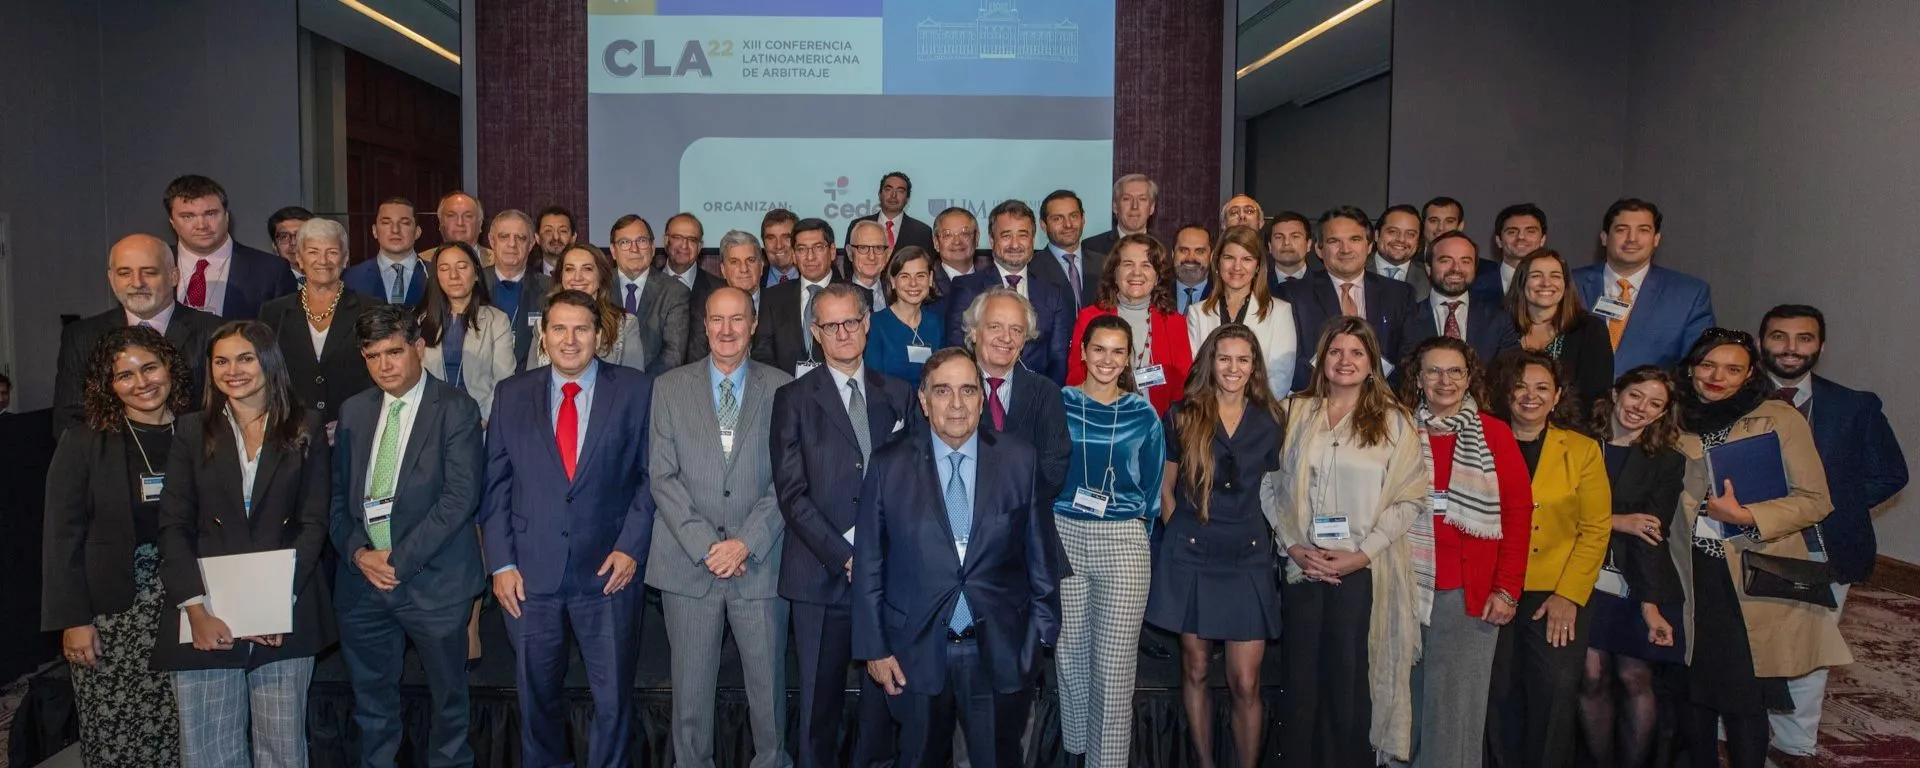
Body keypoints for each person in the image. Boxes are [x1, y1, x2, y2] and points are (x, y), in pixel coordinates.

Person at [852, 347, 1064, 768]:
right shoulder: (888, 464)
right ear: (923, 399)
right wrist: (874, 647)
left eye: (968, 390)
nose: (956, 403)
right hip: (914, 652)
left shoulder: (1019, 459)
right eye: (943, 391)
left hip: (1000, 651)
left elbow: (1040, 553)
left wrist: (1041, 635)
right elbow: (870, 563)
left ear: (982, 399)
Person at [482, 290, 656, 768]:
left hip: (609, 575)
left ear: (600, 335)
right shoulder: (511, 394)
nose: (570, 339)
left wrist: (630, 548)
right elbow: (494, 487)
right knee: (536, 702)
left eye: (582, 328)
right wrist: (500, 562)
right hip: (528, 579)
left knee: (613, 702)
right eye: (559, 328)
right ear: (543, 335)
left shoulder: (637, 390)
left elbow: (650, 477)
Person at [154, 320, 334, 767]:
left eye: (245, 358)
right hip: (207, 611)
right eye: (221, 361)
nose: (233, 370)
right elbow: (173, 525)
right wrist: (194, 607)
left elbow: (313, 523)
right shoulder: (192, 430)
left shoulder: (306, 425)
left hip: (284, 612)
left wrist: (274, 604)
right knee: (208, 750)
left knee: (282, 749)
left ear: (269, 362)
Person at [1666, 328, 1845, 768]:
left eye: (1732, 369)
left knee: (1743, 696)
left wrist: (1747, 517)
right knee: (1693, 691)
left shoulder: (1778, 418)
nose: (1717, 377)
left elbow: (1816, 500)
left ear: (1749, 376)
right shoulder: (1669, 417)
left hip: (1745, 576)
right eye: (1708, 365)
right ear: (1691, 369)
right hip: (1684, 573)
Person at [330, 305, 486, 767]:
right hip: (362, 587)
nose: (385, 365)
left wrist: (395, 561)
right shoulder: (354, 410)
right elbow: (338, 498)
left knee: (449, 710)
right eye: (373, 355)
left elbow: (460, 500)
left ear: (418, 348)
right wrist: (360, 555)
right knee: (373, 711)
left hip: (434, 583)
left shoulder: (456, 408)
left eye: (394, 352)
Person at [645, 287, 794, 768]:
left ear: (753, 325)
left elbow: (790, 479)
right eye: (716, 320)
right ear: (704, 326)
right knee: (689, 697)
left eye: (737, 320)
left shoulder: (784, 388)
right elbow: (662, 477)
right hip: (690, 566)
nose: (726, 330)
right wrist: (708, 546)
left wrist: (744, 544)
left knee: (768, 696)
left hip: (760, 564)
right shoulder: (669, 388)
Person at [1271, 317, 1427, 766]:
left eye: (1357, 353)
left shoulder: (1395, 422)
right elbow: (1271, 485)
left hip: (1362, 573)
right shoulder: (1294, 411)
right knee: (1299, 685)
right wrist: (1293, 545)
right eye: (1336, 352)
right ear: (1321, 359)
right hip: (1303, 568)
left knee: (1349, 685)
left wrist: (1361, 554)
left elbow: (1410, 497)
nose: (1345, 361)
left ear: (1372, 363)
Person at [1757, 305, 1908, 764]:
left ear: (1820, 346)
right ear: (1762, 341)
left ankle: (1792, 744)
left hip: (1823, 546)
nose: (1790, 348)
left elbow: (1889, 473)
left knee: (1808, 649)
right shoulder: (1732, 396)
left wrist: (1824, 507)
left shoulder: (1853, 405)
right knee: (1743, 643)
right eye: (1779, 337)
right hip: (1745, 541)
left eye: (1803, 338)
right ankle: (1730, 725)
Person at [773, 283, 914, 768]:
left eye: (850, 321)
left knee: (883, 705)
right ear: (815, 332)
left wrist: (881, 555)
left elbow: (914, 483)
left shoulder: (898, 393)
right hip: (820, 574)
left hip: (890, 579)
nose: (842, 333)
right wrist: (848, 555)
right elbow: (791, 494)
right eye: (830, 326)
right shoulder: (791, 398)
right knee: (818, 707)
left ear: (867, 322)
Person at [42, 327, 189, 766]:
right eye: (124, 375)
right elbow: (60, 536)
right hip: (112, 613)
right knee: (118, 739)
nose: (141, 383)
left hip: (190, 604)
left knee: (187, 731)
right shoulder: (85, 440)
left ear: (170, 368)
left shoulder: (202, 430)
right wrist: (73, 619)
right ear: (108, 385)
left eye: (149, 367)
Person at [1149, 322, 1289, 768]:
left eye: (1243, 360)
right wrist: (1180, 538)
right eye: (1224, 358)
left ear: (1254, 367)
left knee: (1245, 681)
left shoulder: (1272, 420)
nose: (1233, 368)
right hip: (1190, 552)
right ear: (1211, 362)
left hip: (1248, 555)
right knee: (1195, 668)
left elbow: (1280, 491)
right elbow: (1166, 490)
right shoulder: (1182, 414)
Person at [1391, 336, 1534, 768]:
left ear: (1469, 377)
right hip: (1403, 591)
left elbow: (1517, 513)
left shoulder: (1494, 433)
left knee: (1456, 713)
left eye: (1455, 371)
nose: (1444, 380)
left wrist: (1507, 589)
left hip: (1468, 597)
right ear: (1418, 379)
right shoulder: (1395, 429)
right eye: (1433, 371)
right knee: (1403, 704)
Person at [1484, 349, 1612, 768]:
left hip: (1555, 596)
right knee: (1496, 697)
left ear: (1557, 397)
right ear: (1506, 391)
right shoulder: (1482, 441)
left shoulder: (1582, 450)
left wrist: (1568, 596)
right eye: (1520, 386)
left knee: (1553, 697)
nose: (1530, 396)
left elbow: (1595, 529)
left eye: (1542, 388)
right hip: (1491, 591)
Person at [1050, 315, 1166, 767]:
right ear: (1082, 351)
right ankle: (1077, 753)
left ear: (1130, 358)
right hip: (1064, 533)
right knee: (1069, 657)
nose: (1107, 360)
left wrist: (1136, 528)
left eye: (1118, 352)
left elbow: (1153, 487)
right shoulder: (1058, 402)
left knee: (1114, 670)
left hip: (1122, 540)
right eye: (1099, 349)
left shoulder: (1142, 413)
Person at [1576, 366, 1687, 768]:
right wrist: (1618, 521)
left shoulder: (1666, 462)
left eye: (1655, 404)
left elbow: (1651, 534)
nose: (1642, 408)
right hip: (1579, 579)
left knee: (1635, 678)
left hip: (1637, 581)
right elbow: (1552, 515)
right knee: (1590, 676)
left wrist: (1649, 604)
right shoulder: (1576, 442)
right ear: (1615, 391)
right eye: (1636, 395)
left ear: (1662, 414)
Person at [53, 233, 222, 435]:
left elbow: (225, 413)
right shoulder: (81, 335)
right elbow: (70, 419)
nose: (137, 282)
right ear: (111, 278)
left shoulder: (214, 331)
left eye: (149, 272)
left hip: (194, 459)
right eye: (124, 273)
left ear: (174, 276)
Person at [1571, 198, 1715, 374]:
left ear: (1656, 239)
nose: (1632, 239)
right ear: (1604, 238)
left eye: (1643, 230)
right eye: (1622, 230)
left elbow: (1698, 365)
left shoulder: (1689, 295)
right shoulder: (1568, 283)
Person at [1283, 206, 1418, 392]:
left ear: (1369, 246)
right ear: (1319, 250)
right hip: (1318, 402)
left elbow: (1408, 359)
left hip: (1383, 403)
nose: (1345, 249)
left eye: (1355, 239)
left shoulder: (1400, 294)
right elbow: (1291, 361)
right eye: (1334, 241)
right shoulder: (1292, 294)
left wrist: (1379, 394)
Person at [258, 217, 377, 429]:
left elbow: (380, 374)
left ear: (345, 258)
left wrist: (350, 421)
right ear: (299, 259)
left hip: (354, 430)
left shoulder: (370, 309)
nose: (323, 260)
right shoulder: (273, 312)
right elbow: (265, 376)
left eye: (332, 252)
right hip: (290, 432)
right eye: (313, 252)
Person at [944, 199, 1076, 384]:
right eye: (1006, 236)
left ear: (1033, 239)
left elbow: (1058, 359)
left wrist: (1045, 400)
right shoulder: (967, 288)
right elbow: (957, 350)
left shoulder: (1054, 294)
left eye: (1022, 235)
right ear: (991, 240)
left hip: (1036, 399)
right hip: (982, 397)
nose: (1015, 244)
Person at [962, 289, 1073, 503]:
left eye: (1016, 330)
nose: (1006, 338)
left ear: (1024, 340)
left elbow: (1054, 471)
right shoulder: (951, 390)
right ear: (974, 332)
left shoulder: (1046, 393)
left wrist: (1007, 502)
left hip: (1025, 523)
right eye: (995, 327)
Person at [1066, 234, 1192, 414]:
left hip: (1159, 422)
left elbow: (1182, 384)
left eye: (1146, 265)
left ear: (1157, 276)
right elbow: (1075, 377)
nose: (1136, 273)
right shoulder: (1089, 317)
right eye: (1128, 264)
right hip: (1098, 416)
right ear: (1114, 273)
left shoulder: (1175, 322)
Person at [164, 174, 299, 319]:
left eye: (210, 214)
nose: (201, 225)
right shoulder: (154, 265)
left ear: (226, 216)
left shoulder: (272, 271)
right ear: (172, 221)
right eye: (188, 216)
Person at [1186, 226, 1299, 398]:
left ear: (1257, 267)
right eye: (1229, 258)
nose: (1237, 267)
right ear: (1217, 262)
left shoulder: (1280, 312)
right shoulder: (1197, 312)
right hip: (1207, 412)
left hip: (1260, 414)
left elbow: (1280, 378)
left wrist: (1246, 414)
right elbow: (1196, 372)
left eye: (1247, 259)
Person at [1507, 250, 1613, 410]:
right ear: (1521, 282)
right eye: (1536, 275)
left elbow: (1596, 396)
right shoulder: (1501, 325)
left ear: (1566, 284)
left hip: (1570, 428)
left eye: (1555, 276)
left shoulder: (1590, 330)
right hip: (1506, 427)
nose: (1546, 283)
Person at [1397, 231, 1521, 369]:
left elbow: (1512, 373)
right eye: (1445, 260)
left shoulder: (1499, 319)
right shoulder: (1405, 319)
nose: (1456, 268)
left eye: (1465, 261)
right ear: (1428, 268)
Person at [420, 241, 516, 418]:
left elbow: (504, 379)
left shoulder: (497, 320)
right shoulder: (421, 320)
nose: (454, 276)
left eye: (462, 267)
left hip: (481, 417)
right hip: (432, 419)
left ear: (477, 273)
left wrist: (484, 419)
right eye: (444, 269)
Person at [753, 217, 848, 375]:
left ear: (832, 252)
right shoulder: (772, 297)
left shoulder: (853, 294)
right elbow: (762, 355)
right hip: (786, 392)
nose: (810, 257)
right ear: (794, 256)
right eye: (802, 249)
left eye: (818, 248)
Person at [528, 244, 647, 370]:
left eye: (587, 269)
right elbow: (532, 382)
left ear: (601, 276)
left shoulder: (625, 325)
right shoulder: (542, 326)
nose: (577, 277)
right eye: (569, 269)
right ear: (561, 276)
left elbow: (634, 382)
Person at [607, 214, 692, 373]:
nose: (634, 249)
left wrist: (640, 386)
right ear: (613, 251)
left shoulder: (675, 292)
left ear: (653, 249)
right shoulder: (599, 286)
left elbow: (674, 355)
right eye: (625, 242)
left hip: (652, 387)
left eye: (642, 241)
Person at [866, 245, 946, 387]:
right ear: (892, 281)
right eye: (904, 276)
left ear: (930, 278)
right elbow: (873, 384)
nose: (913, 283)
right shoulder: (874, 324)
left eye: (920, 276)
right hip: (890, 407)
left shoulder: (937, 324)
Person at [483, 209, 552, 371]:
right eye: (504, 237)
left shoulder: (551, 289)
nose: (512, 244)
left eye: (520, 238)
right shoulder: (474, 284)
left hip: (530, 380)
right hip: (481, 383)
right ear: (492, 241)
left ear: (532, 244)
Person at [688, 230, 770, 362]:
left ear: (761, 267)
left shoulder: (780, 304)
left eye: (750, 260)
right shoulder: (704, 306)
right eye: (734, 262)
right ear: (723, 270)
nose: (744, 269)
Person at [343, 197, 428, 306]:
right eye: (386, 223)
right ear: (374, 231)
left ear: (417, 232)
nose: (395, 230)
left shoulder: (436, 275)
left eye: (405, 223)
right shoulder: (350, 278)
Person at [1031, 189, 1108, 308]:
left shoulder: (1104, 264)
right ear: (1043, 225)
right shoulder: (1032, 268)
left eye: (1073, 216)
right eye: (1058, 219)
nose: (1068, 225)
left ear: (1083, 219)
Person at [854, 171, 937, 255]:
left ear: (907, 198)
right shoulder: (858, 226)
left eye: (900, 191)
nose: (893, 195)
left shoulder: (922, 232)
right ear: (879, 194)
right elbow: (848, 266)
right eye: (888, 189)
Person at [662, 212, 726, 311]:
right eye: (677, 237)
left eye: (692, 240)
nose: (684, 246)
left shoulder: (720, 290)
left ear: (699, 246)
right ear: (666, 241)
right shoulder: (646, 284)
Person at [1084, 173, 1159, 255]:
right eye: (1127, 199)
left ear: (1152, 208)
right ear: (1115, 207)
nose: (1134, 206)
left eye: (1142, 199)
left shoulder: (1165, 247)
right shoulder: (1091, 248)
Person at [1485, 203, 1548, 297]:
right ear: (1498, 240)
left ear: (1542, 239)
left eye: (1530, 231)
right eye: (1512, 232)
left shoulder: (1556, 285)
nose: (1521, 237)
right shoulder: (1478, 285)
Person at [1372, 204, 1431, 301]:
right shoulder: (1357, 267)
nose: (1401, 239)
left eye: (1410, 234)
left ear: (1419, 241)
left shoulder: (1429, 276)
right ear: (1377, 235)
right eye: (1393, 232)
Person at [931, 206, 984, 295]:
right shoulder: (927, 285)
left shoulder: (993, 281)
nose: (957, 242)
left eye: (964, 234)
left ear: (977, 238)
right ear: (936, 242)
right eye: (948, 235)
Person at [845, 219, 893, 310]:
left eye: (878, 248)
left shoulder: (898, 296)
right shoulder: (835, 295)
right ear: (850, 253)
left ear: (887, 255)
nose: (871, 257)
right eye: (863, 248)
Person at [1265, 210, 1318, 284]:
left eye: (1295, 237)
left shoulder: (1327, 286)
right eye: (1279, 237)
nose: (1286, 243)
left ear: (1308, 244)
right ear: (1270, 246)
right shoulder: (1254, 285)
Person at [1171, 224, 1213, 313]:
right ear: (1173, 254)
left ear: (1211, 256)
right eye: (1183, 250)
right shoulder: (1156, 294)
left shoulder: (1221, 297)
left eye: (1199, 251)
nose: (1190, 258)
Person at [268, 206, 314, 282]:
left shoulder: (336, 278)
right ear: (275, 246)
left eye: (300, 235)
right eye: (284, 237)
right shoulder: (266, 285)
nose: (293, 243)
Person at [534, 205, 578, 277]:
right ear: (537, 238)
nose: (556, 237)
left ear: (573, 238)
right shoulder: (525, 279)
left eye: (563, 231)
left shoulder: (585, 277)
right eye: (548, 231)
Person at [761, 208, 801, 285]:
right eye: (771, 238)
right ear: (764, 244)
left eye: (786, 237)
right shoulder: (754, 280)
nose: (779, 246)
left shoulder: (813, 277)